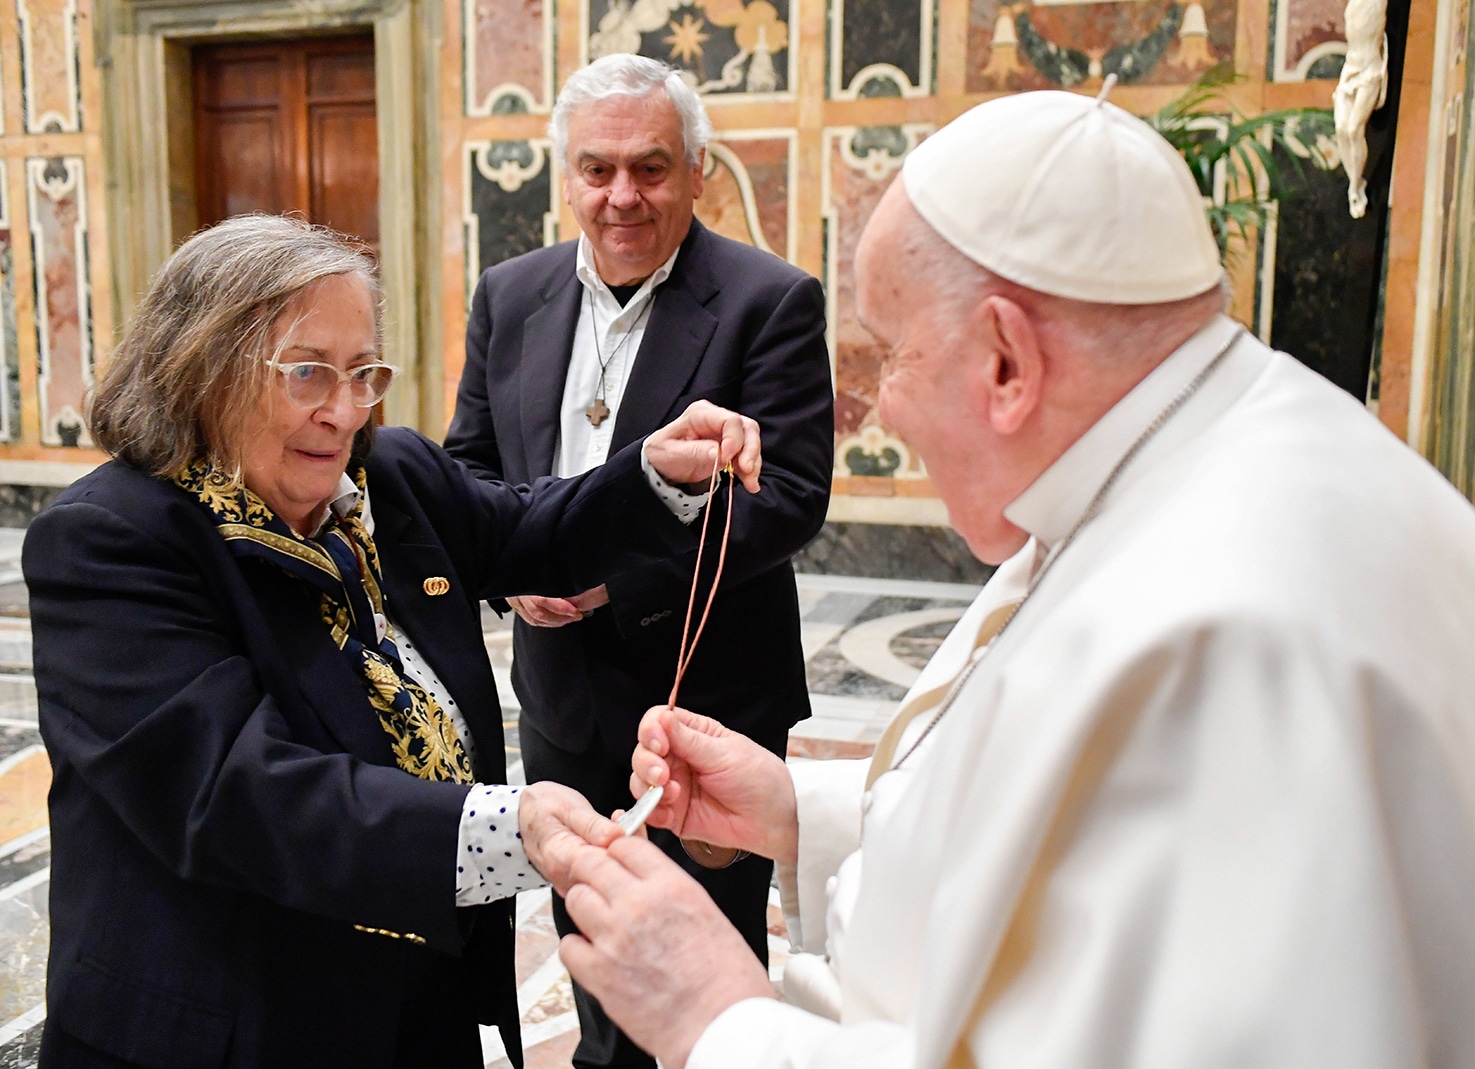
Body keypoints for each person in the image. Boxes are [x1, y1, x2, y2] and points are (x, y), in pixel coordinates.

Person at [536, 89, 1475, 1068]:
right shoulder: (1193, 453)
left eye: (891, 354)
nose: (881, 409)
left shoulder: (1223, 645)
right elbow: (1062, 823)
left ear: (1006, 361)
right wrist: (799, 812)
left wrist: (717, 1017)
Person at [22, 214, 764, 1068]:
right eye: (306, 372)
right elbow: (234, 792)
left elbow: (526, 528)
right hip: (227, 1021)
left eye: (362, 372)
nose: (344, 412)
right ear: (204, 365)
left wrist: (652, 473)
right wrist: (508, 826)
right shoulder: (112, 539)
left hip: (412, 995)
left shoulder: (391, 476)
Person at [444, 52, 833, 1068]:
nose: (622, 195)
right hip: (562, 699)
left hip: (710, 706)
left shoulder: (768, 300)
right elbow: (467, 469)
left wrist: (610, 577)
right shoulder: (508, 294)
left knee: (708, 972)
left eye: (650, 168)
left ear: (697, 170)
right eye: (598, 169)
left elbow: (787, 498)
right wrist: (513, 569)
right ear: (567, 176)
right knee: (595, 941)